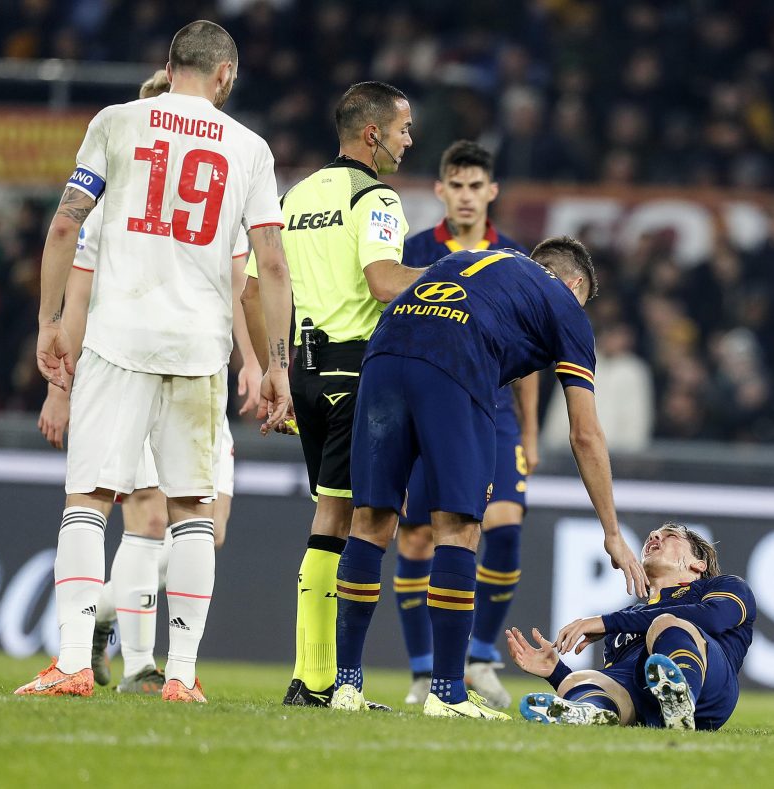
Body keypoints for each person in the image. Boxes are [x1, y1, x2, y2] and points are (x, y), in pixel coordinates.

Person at [17, 20, 293, 703]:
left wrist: (49, 321)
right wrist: (276, 363)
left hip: (120, 340)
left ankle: (74, 661)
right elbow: (271, 264)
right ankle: (179, 674)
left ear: (169, 67)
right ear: (225, 75)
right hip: (200, 346)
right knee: (194, 509)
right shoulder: (250, 147)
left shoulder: (116, 122)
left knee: (90, 499)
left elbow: (64, 225)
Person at [331, 236, 649, 720]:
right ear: (575, 283)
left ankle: (346, 686)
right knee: (458, 527)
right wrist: (612, 531)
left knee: (371, 519)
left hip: (384, 352)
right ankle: (447, 692)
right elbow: (585, 434)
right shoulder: (566, 305)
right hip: (455, 364)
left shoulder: (468, 260)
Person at [240, 80, 423, 707]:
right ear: (372, 133)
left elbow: (252, 289)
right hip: (356, 376)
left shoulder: (295, 197)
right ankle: (317, 677)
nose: (408, 139)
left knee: (331, 516)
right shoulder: (375, 200)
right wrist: (464, 273)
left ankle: (310, 676)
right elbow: (382, 282)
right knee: (347, 523)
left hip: (307, 376)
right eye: (402, 128)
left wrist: (277, 369)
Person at [395, 140, 537, 708]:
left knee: (503, 527)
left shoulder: (515, 258)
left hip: (496, 415)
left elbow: (528, 353)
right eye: (457, 184)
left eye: (476, 185)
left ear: (492, 192)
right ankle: (423, 671)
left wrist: (528, 430)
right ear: (440, 190)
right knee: (417, 536)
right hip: (425, 411)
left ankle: (479, 657)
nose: (467, 195)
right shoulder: (413, 250)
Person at [508, 523, 754, 730]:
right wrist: (556, 671)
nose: (655, 536)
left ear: (698, 564)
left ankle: (682, 700)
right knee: (580, 678)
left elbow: (713, 618)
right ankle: (588, 713)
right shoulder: (626, 620)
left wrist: (606, 621)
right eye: (653, 535)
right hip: (647, 701)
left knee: (665, 624)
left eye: (670, 535)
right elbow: (622, 679)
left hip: (711, 696)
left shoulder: (722, 587)